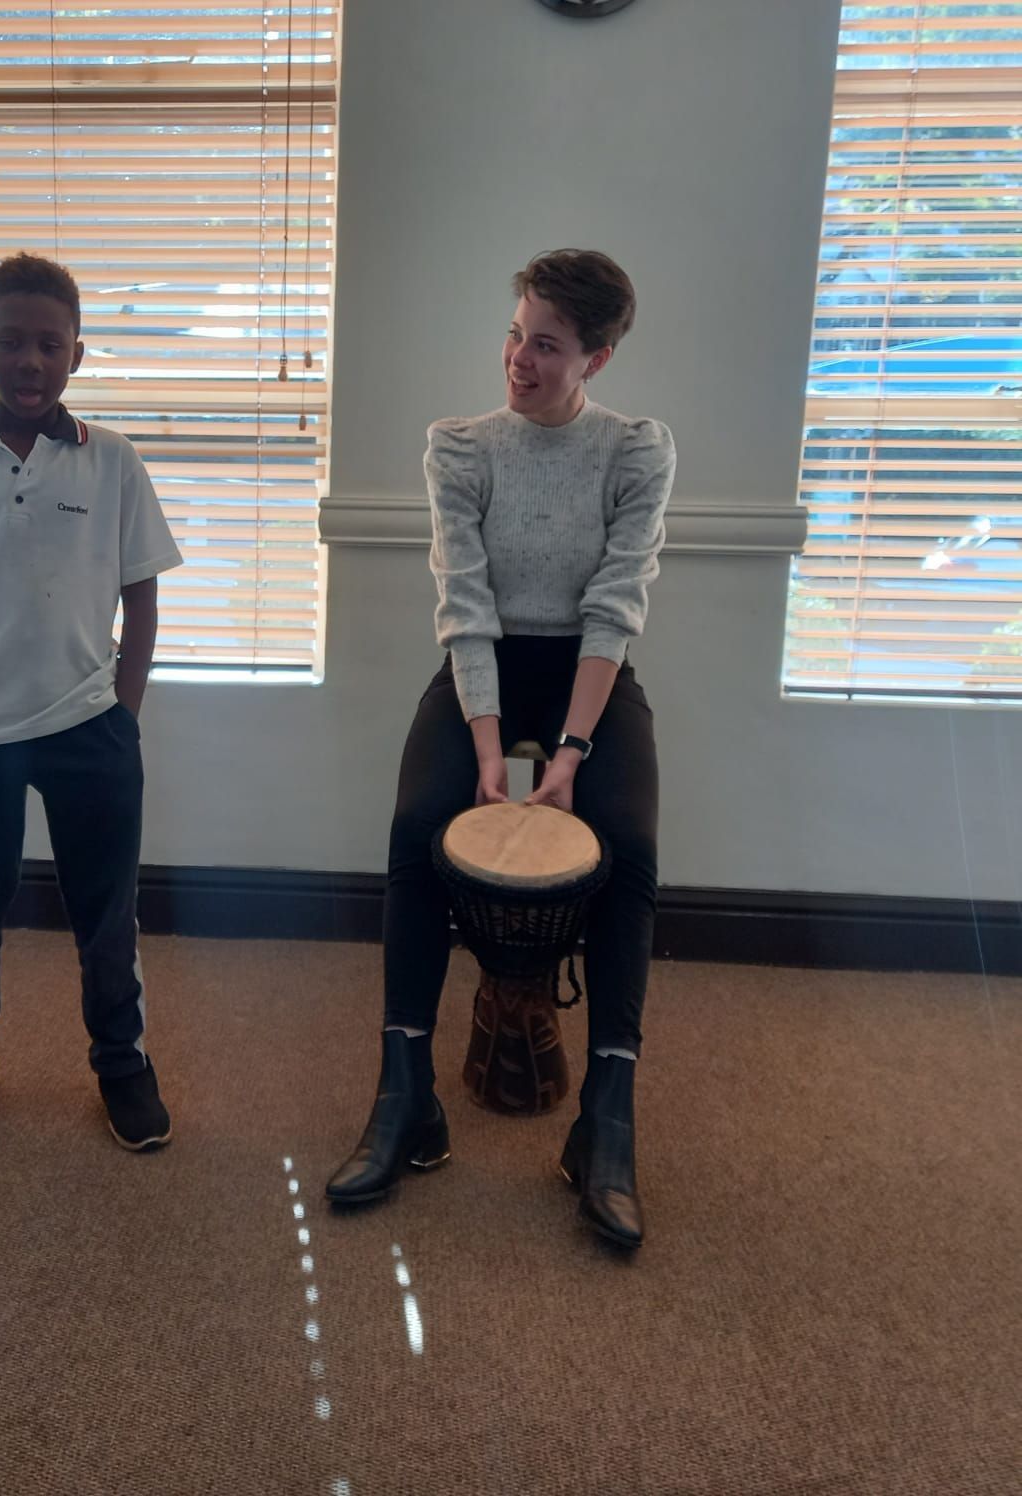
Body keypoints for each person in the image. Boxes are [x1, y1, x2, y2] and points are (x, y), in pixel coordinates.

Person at [325, 249, 676, 1248]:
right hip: (484, 661)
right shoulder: (461, 447)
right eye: (516, 334)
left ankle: (605, 1124)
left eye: (548, 346)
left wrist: (569, 751)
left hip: (586, 670)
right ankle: (405, 1098)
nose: (520, 359)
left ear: (596, 358)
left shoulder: (635, 451)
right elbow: (465, 606)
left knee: (629, 845)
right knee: (414, 827)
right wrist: (487, 745)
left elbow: (614, 608)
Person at [0, 252, 183, 1154]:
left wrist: (122, 716)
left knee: (105, 916)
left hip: (89, 727)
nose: (30, 361)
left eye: (50, 345)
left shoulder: (112, 461)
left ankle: (122, 1063)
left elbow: (142, 598)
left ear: (76, 355)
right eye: (10, 341)